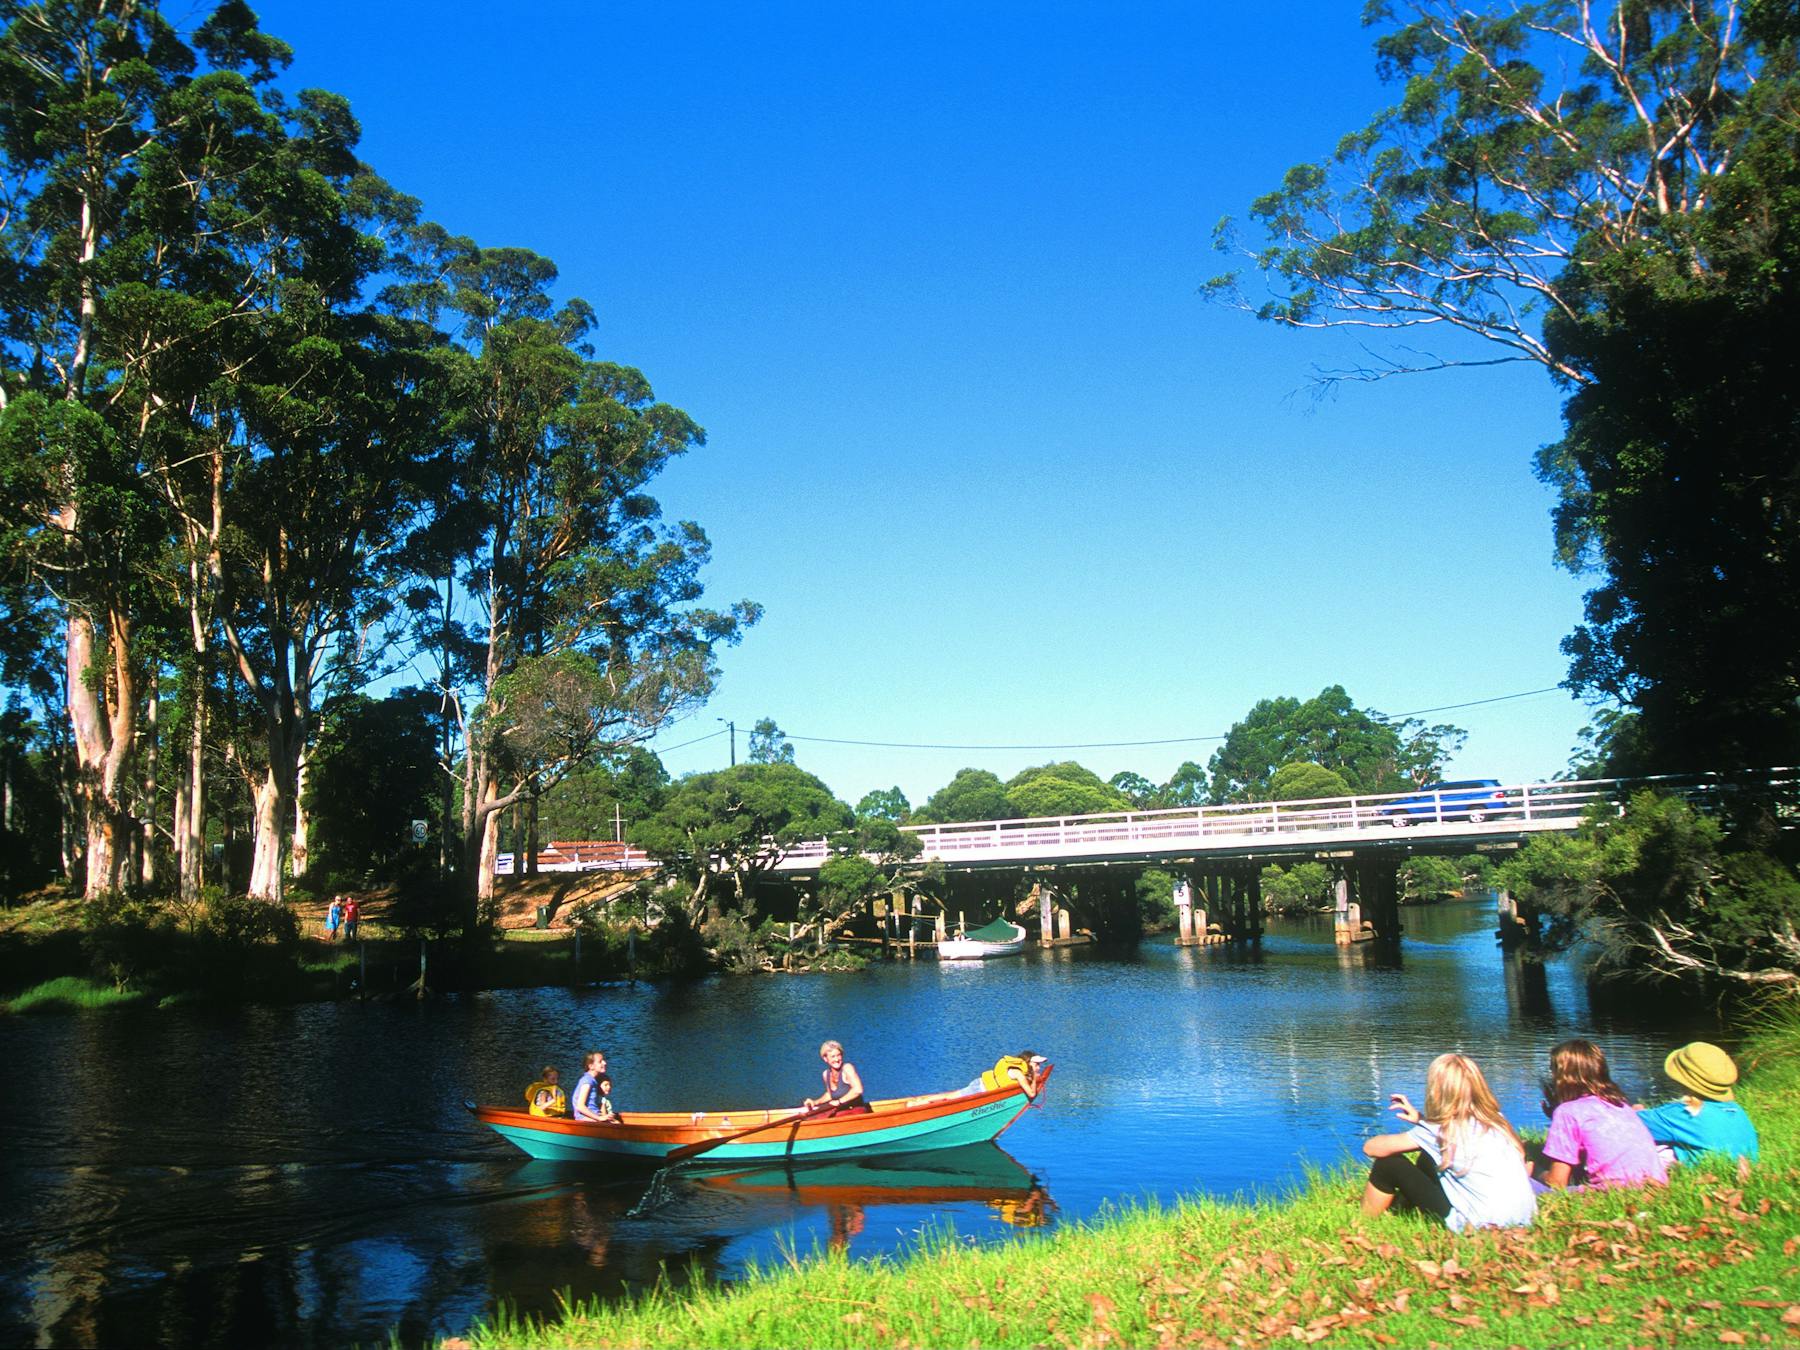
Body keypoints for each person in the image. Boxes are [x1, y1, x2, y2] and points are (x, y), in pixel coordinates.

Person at [1361, 1052, 1536, 1232]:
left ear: (1436, 1092)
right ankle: (1403, 1208)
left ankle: (1365, 1223)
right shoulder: (1497, 1121)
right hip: (1523, 1219)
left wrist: (1424, 1127)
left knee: (1388, 1165)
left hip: (1478, 1225)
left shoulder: (1439, 1130)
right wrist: (1422, 1121)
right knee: (1428, 1157)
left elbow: (1371, 1149)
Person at [1537, 1038, 1668, 1190]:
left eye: (1553, 1071)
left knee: (1522, 1184)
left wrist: (1535, 1170)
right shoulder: (1621, 1105)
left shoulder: (1568, 1112)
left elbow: (1557, 1182)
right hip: (1656, 1184)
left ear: (1563, 1077)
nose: (1552, 1077)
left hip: (1616, 1190)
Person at [1637, 1041, 1759, 1165]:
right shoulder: (1737, 1110)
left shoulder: (1683, 1113)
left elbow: (1631, 1126)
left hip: (1705, 1173)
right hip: (1740, 1168)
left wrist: (1636, 1111)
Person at [803, 1040, 869, 1117]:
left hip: (855, 1111)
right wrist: (815, 1102)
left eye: (839, 1055)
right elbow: (830, 1095)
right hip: (841, 1110)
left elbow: (858, 1090)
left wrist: (839, 1101)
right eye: (833, 1056)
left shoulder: (847, 1068)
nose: (837, 1059)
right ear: (825, 1058)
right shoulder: (825, 1074)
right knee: (813, 1117)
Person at [963, 1051, 1048, 1099]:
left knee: (953, 1095)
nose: (1038, 1068)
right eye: (1036, 1065)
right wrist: (1034, 1079)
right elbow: (1032, 1094)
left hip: (980, 1083)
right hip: (981, 1089)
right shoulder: (1018, 1073)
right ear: (1028, 1063)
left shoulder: (1021, 1072)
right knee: (952, 1098)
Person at [572, 1050, 610, 1122]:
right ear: (591, 1066)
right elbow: (580, 1106)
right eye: (600, 1061)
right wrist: (599, 1118)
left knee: (616, 1123)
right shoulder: (587, 1081)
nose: (605, 1063)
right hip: (585, 1119)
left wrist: (603, 1116)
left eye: (603, 1060)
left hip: (594, 1116)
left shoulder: (592, 1080)